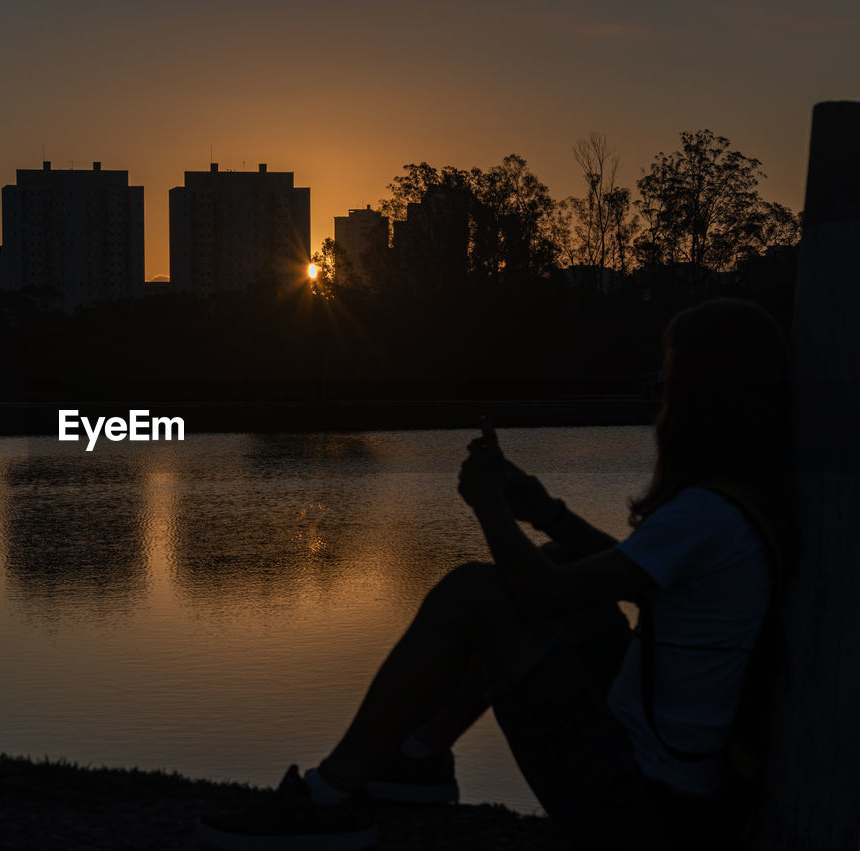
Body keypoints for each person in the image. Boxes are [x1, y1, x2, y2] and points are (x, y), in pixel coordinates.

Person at [198, 298, 791, 851]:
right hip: (684, 791)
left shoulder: (704, 512)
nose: (660, 385)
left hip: (641, 806)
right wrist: (546, 513)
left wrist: (490, 504)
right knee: (559, 563)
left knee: (477, 593)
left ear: (698, 395)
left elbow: (535, 598)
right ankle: (420, 756)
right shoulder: (737, 503)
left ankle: (328, 797)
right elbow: (635, 579)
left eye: (670, 371)